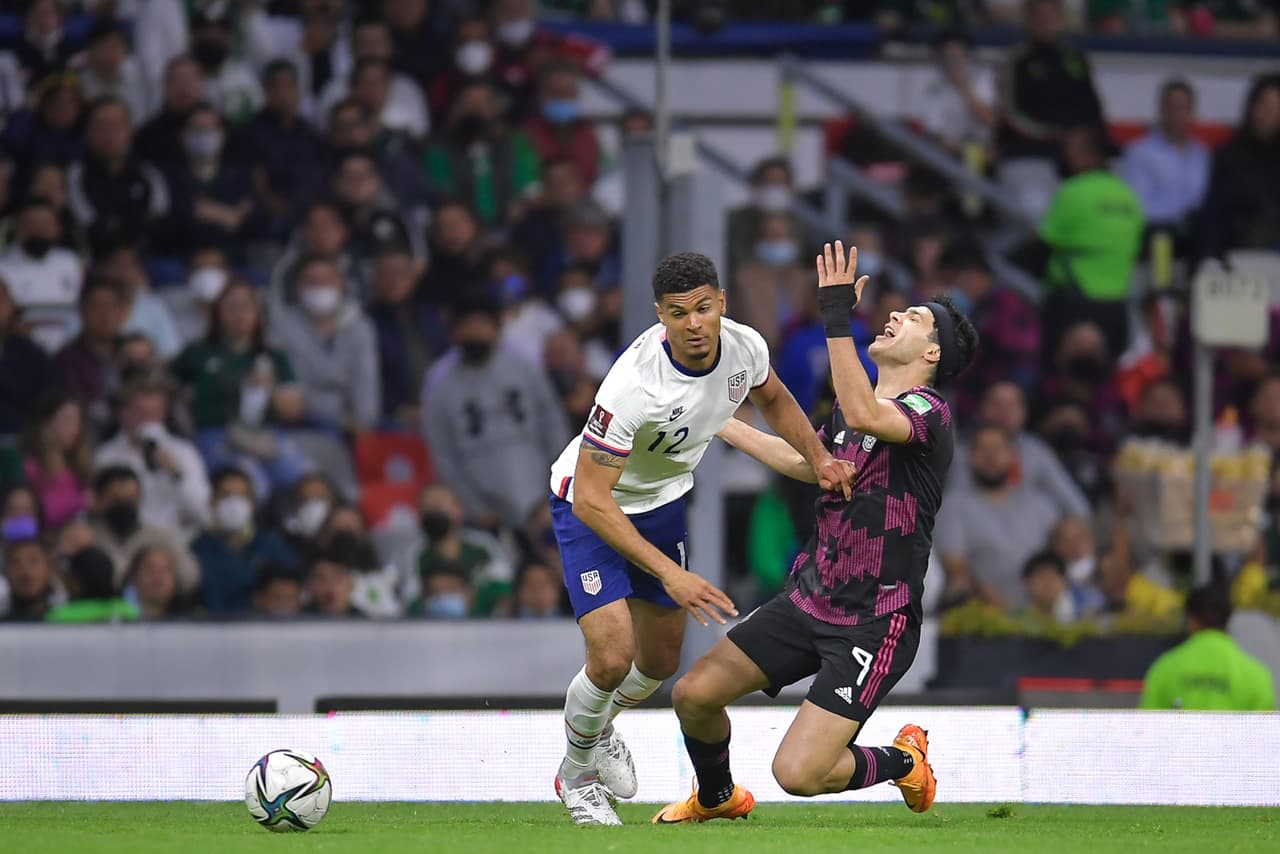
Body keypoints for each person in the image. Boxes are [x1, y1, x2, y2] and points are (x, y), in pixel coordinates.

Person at [653, 241, 976, 823]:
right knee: (693, 696)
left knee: (798, 775)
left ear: (932, 351)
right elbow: (808, 463)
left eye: (918, 318)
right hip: (811, 600)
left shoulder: (928, 413)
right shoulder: (855, 410)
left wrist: (834, 315)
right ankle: (717, 797)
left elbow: (863, 414)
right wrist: (719, 420)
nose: (898, 314)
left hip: (875, 621)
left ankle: (903, 763)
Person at [546, 251, 852, 825]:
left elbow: (776, 401)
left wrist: (819, 457)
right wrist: (671, 572)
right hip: (591, 507)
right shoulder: (633, 384)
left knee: (659, 664)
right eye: (678, 312)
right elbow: (591, 496)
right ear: (659, 315)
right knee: (612, 657)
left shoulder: (745, 347)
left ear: (722, 304)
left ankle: (596, 727)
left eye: (704, 309)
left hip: (661, 505)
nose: (694, 324)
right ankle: (577, 771)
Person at [422, 298, 569, 530]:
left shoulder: (524, 367)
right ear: (453, 333)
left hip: (541, 494)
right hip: (483, 511)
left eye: (481, 325)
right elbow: (443, 454)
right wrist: (476, 508)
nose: (474, 333)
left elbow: (552, 424)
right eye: (466, 326)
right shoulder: (440, 384)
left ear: (496, 329)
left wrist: (557, 488)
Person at [94, 377, 212, 540]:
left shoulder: (183, 452)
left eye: (155, 412)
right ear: (124, 414)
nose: (148, 419)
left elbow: (203, 512)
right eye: (141, 412)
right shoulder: (106, 455)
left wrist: (177, 474)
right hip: (124, 539)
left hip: (173, 540)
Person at [1140, 584, 1275, 711]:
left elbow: (1148, 729)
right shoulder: (1256, 676)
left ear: (1191, 619)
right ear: (1228, 619)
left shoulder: (1164, 669)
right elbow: (1265, 733)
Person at [1120, 80, 1210, 234]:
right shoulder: (1140, 152)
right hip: (1155, 232)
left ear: (1191, 112)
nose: (1177, 114)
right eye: (1172, 107)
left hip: (1197, 235)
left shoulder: (1202, 154)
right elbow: (1135, 205)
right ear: (1161, 109)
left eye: (1183, 108)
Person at [19, 389, 91, 529]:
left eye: (78, 421)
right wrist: (81, 501)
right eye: (67, 420)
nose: (75, 429)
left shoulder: (78, 466)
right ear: (46, 423)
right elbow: (40, 512)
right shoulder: (30, 466)